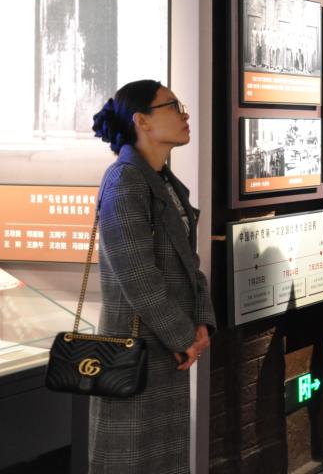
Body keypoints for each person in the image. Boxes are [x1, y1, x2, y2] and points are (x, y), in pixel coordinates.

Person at [89, 80, 216, 474]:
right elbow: (137, 276)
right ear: (141, 121)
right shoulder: (124, 179)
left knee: (162, 458)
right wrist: (184, 337)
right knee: (130, 459)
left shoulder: (162, 179)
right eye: (173, 106)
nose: (184, 114)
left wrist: (201, 323)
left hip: (166, 345)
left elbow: (189, 262)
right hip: (136, 347)